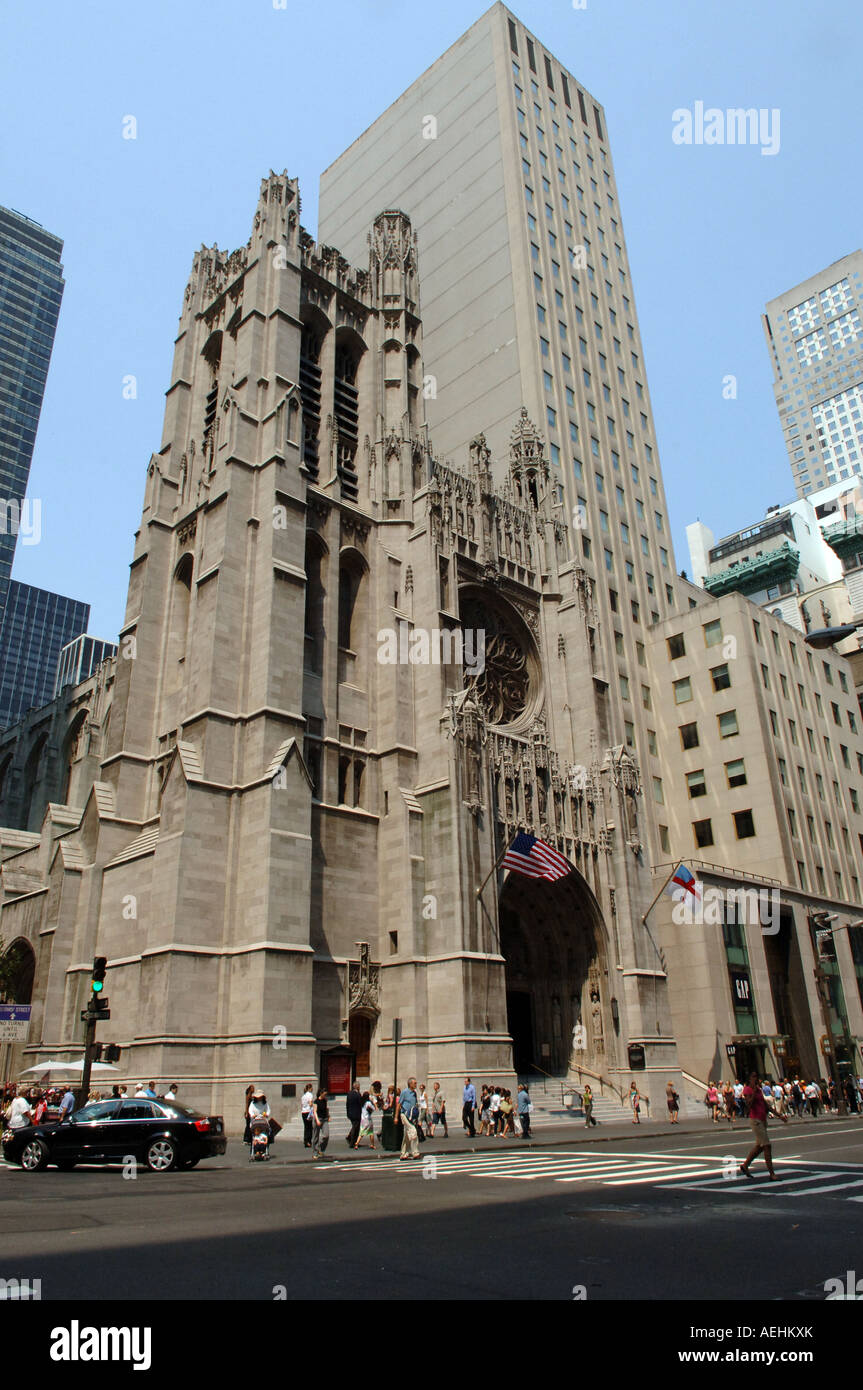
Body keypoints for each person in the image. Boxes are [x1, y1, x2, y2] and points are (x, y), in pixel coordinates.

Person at [739, 1071, 777, 1180]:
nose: (755, 1079)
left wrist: (779, 1115)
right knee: (766, 1145)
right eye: (753, 1077)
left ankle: (745, 1165)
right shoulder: (747, 1090)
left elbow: (765, 1105)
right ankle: (772, 1174)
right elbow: (749, 1105)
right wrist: (754, 1092)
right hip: (755, 1120)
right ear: (749, 1078)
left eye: (756, 1077)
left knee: (759, 1146)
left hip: (762, 1119)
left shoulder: (759, 1089)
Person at [396, 1077, 420, 1160]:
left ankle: (404, 1153)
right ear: (410, 1084)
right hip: (405, 1115)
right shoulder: (404, 1092)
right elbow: (399, 1104)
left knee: (406, 1136)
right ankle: (415, 1152)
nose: (416, 1084)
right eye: (414, 1083)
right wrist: (396, 1117)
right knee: (413, 1131)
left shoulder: (415, 1093)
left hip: (411, 1116)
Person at [311, 1088, 329, 1158]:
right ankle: (315, 1152)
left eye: (326, 1094)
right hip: (317, 1119)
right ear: (321, 1093)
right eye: (324, 1094)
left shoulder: (325, 1100)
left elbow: (327, 1108)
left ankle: (321, 1148)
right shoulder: (316, 1101)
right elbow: (314, 1111)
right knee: (316, 1136)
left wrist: (328, 1116)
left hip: (324, 1119)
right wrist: (317, 1120)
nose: (325, 1096)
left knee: (326, 1135)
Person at [346, 1082, 363, 1148]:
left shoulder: (349, 1094)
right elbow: (360, 1103)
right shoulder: (358, 1094)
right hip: (356, 1114)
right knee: (355, 1128)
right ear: (357, 1087)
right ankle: (352, 1141)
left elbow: (347, 1104)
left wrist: (348, 1112)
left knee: (354, 1126)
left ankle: (352, 1139)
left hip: (350, 1113)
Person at [301, 1083, 315, 1147]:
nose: (312, 1089)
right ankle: (308, 1141)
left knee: (306, 1127)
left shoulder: (303, 1096)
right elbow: (310, 1103)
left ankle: (305, 1141)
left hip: (303, 1112)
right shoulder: (310, 1095)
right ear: (310, 1088)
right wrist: (314, 1106)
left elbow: (302, 1105)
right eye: (312, 1087)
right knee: (309, 1127)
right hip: (308, 1112)